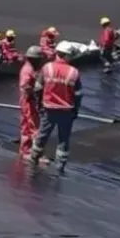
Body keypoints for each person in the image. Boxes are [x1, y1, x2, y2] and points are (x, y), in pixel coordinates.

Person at [29, 41, 83, 174]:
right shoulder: (74, 72)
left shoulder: (47, 68)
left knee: (42, 137)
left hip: (48, 110)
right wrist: (75, 110)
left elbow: (37, 88)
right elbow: (78, 95)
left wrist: (39, 104)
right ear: (66, 55)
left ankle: (33, 162)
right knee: (63, 140)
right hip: (66, 112)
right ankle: (60, 168)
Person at [18, 45, 47, 159]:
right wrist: (37, 93)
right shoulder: (28, 70)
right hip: (29, 101)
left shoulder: (31, 68)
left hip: (27, 101)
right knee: (34, 127)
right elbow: (25, 86)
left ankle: (25, 151)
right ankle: (37, 154)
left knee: (26, 127)